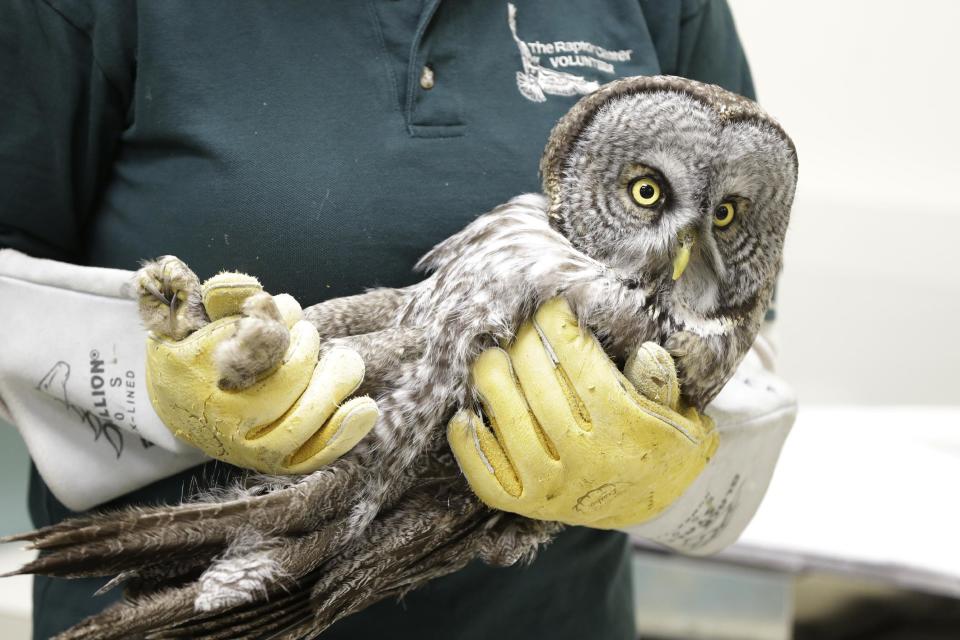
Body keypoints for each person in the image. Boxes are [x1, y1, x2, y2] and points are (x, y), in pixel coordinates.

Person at [0, 1, 794, 638]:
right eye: (646, 194)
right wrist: (149, 378)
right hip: (186, 605)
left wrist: (678, 460)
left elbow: (742, 305)